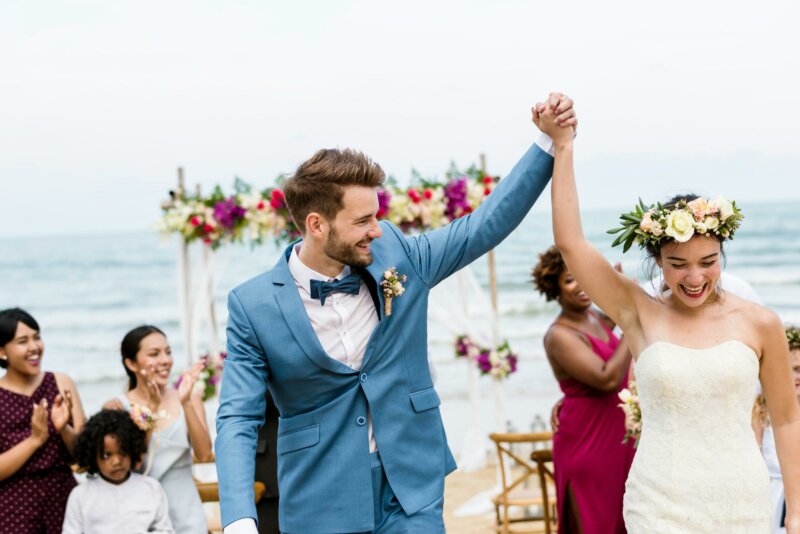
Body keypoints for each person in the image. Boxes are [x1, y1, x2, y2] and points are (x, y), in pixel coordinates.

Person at [215, 92, 577, 534]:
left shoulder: (397, 254)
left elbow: (482, 226)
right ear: (316, 224)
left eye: (377, 216)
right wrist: (237, 518)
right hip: (320, 501)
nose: (376, 229)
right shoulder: (252, 306)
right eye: (362, 220)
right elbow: (238, 415)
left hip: (411, 489)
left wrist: (546, 144)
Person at [535, 102, 800, 533]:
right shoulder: (637, 311)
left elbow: (787, 419)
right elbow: (570, 242)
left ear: (723, 254)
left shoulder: (760, 323)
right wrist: (563, 146)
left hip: (741, 503)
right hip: (658, 504)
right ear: (658, 258)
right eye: (678, 264)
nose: (694, 278)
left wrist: (796, 511)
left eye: (708, 261)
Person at [532, 246, 635, 534]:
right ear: (555, 290)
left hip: (617, 436)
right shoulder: (559, 335)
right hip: (587, 442)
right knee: (593, 521)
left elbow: (625, 311)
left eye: (582, 276)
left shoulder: (596, 318)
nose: (579, 285)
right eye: (569, 280)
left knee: (622, 517)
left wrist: (619, 291)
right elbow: (606, 378)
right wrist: (629, 323)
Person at [103, 325, 212, 534]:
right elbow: (130, 464)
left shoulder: (190, 397)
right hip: (138, 513)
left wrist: (186, 401)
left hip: (186, 511)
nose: (165, 360)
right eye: (154, 354)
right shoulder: (116, 407)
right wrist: (151, 410)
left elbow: (205, 454)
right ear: (131, 363)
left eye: (168, 352)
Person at [0, 307, 86, 534]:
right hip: (12, 510)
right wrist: (35, 440)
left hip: (65, 501)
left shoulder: (61, 382)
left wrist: (65, 429)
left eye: (37, 337)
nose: (34, 347)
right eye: (22, 341)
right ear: (2, 351)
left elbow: (84, 458)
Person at [62, 409, 175, 534]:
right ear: (93, 456)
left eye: (122, 451)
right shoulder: (81, 496)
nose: (116, 461)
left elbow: (165, 530)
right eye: (106, 455)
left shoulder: (151, 489)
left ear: (132, 449)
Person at [753, 325, 800, 534]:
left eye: (798, 369)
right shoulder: (761, 408)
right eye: (788, 369)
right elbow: (754, 450)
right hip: (771, 490)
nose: (794, 376)